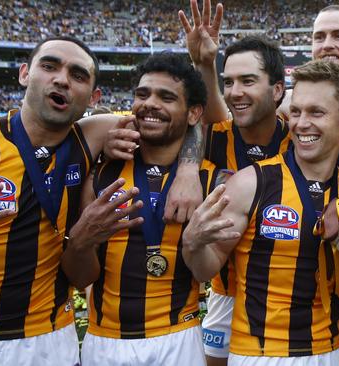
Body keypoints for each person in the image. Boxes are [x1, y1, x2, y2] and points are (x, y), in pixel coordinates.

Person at [0, 36, 201, 366]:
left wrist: (188, 167)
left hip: (51, 340)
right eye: (49, 66)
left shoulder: (91, 136)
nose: (61, 79)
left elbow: (185, 121)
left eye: (78, 75)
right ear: (24, 73)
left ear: (93, 96)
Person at [182, 60, 339, 366]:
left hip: (331, 352)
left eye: (317, 112)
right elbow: (204, 269)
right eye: (297, 111)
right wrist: (192, 242)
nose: (301, 123)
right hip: (259, 356)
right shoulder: (250, 184)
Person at [60, 52, 219, 365]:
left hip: (179, 337)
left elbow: (205, 272)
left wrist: (194, 243)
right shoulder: (102, 172)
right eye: (142, 94)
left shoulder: (210, 179)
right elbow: (81, 279)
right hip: (104, 340)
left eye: (167, 97)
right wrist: (80, 241)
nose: (150, 104)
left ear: (193, 113)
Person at [179, 3, 291, 364]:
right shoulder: (210, 139)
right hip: (224, 293)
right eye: (228, 82)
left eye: (248, 81)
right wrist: (203, 65)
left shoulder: (303, 139)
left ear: (277, 90)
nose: (235, 91)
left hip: (291, 295)